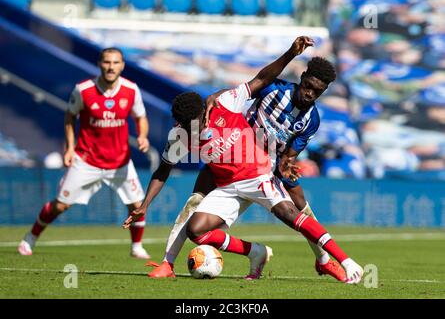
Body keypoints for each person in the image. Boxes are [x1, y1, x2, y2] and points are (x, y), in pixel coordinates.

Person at [124, 37, 364, 283]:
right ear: (301, 78)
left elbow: (291, 153)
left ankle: (324, 261)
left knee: (301, 208)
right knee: (193, 204)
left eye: (317, 90)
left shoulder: (311, 120)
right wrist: (217, 94)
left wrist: (287, 163)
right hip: (230, 159)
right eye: (308, 86)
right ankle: (167, 263)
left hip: (266, 163)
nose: (310, 93)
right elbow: (260, 80)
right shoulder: (272, 91)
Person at [18, 47, 151, 259]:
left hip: (120, 161)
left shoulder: (131, 90)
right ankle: (30, 237)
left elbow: (141, 117)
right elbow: (70, 117)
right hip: (87, 160)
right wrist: (69, 147)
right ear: (99, 64)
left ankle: (136, 247)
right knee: (60, 206)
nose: (111, 67)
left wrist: (143, 135)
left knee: (137, 205)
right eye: (107, 62)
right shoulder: (83, 90)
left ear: (122, 66)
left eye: (115, 63)